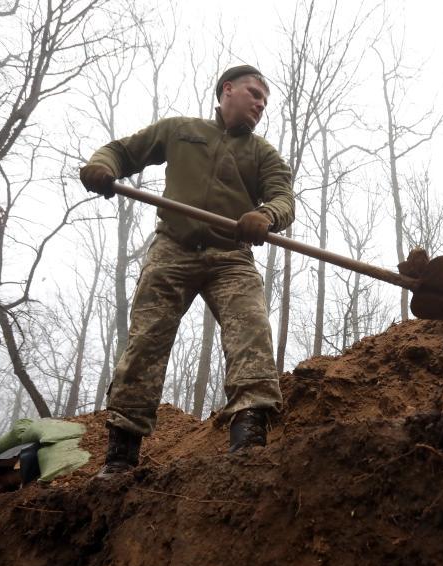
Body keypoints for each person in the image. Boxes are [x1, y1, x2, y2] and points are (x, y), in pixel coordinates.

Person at [79, 64, 295, 478]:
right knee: (146, 341)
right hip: (172, 250)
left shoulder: (261, 153)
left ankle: (249, 437)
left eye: (265, 101)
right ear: (226, 90)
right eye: (254, 94)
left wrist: (266, 215)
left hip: (231, 256)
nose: (260, 104)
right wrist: (101, 166)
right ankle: (121, 454)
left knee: (251, 332)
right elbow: (123, 151)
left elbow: (283, 196)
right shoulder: (180, 130)